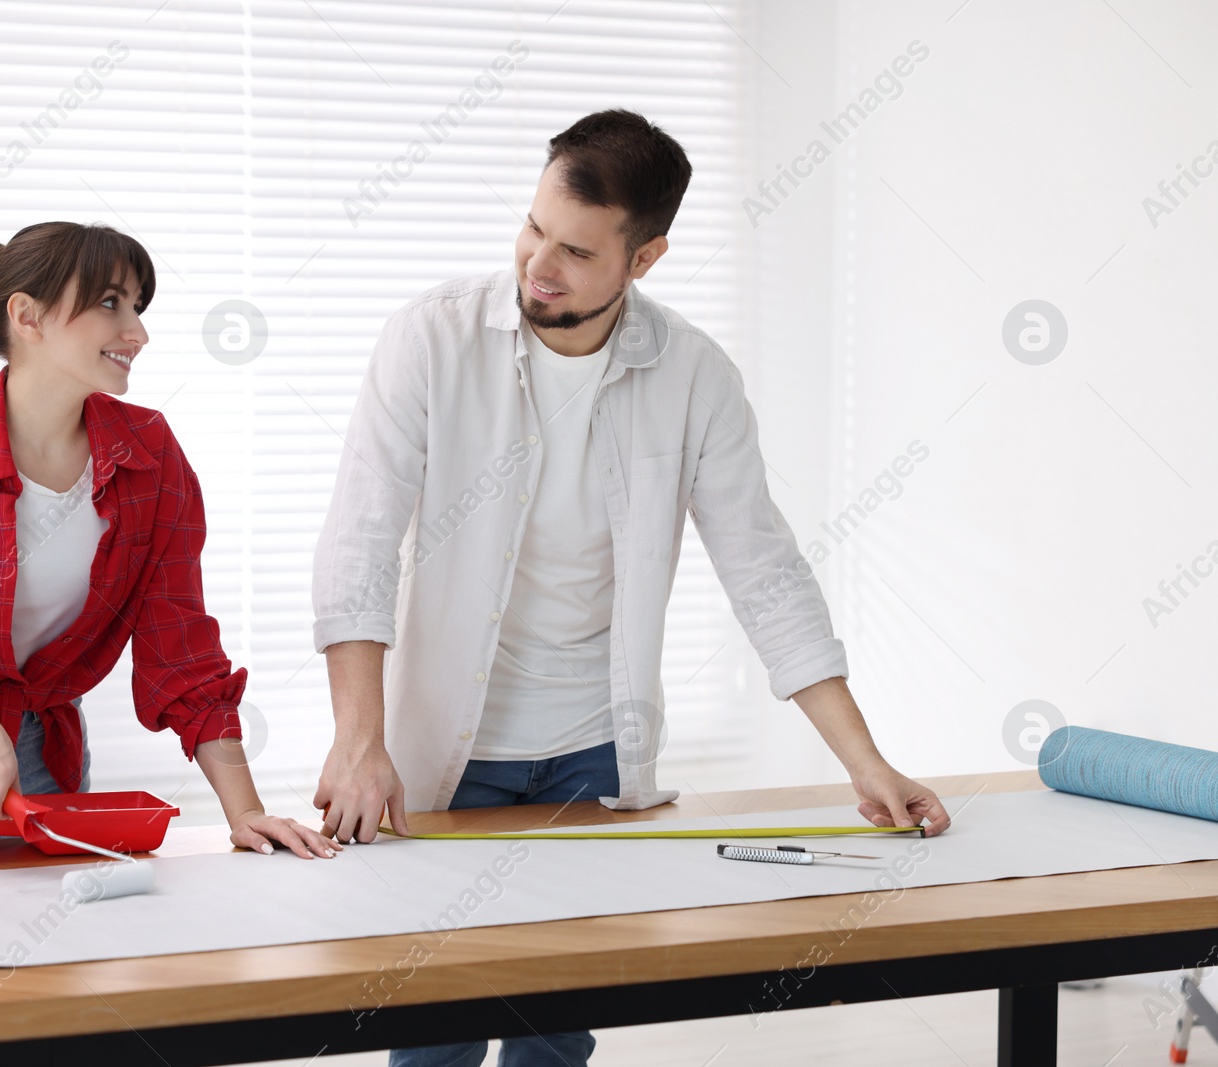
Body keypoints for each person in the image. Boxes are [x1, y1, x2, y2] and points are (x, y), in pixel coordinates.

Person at [310, 110, 951, 1067]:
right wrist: (358, 739)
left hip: (591, 757)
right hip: (443, 744)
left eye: (575, 249)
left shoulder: (695, 377)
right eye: (533, 228)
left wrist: (868, 764)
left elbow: (764, 573)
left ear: (644, 259)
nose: (538, 264)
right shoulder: (433, 339)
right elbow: (357, 540)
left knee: (556, 1029)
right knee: (433, 1028)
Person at [0, 221, 341, 1067]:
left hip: (40, 750)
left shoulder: (151, 457)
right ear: (25, 316)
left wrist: (244, 811)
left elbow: (183, 653)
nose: (135, 330)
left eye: (136, 305)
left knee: (41, 1008)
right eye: (109, 304)